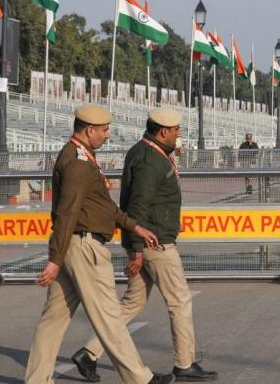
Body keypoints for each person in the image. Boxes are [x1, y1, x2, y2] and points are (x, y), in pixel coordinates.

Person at [25, 104, 174, 384]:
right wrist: (55, 260)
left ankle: (37, 380)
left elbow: (102, 206)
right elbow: (67, 213)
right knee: (109, 318)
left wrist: (134, 226)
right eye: (104, 130)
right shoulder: (78, 163)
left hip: (74, 246)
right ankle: (141, 379)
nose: (107, 135)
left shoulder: (80, 155)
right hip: (84, 247)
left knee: (53, 320)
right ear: (90, 130)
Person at [71, 109, 217, 382]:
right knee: (180, 300)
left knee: (133, 302)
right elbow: (138, 204)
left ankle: (89, 353)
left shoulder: (145, 151)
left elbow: (150, 202)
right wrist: (137, 248)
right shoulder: (150, 160)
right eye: (176, 131)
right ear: (164, 131)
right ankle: (184, 362)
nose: (178, 135)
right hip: (154, 243)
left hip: (149, 237)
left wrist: (162, 226)